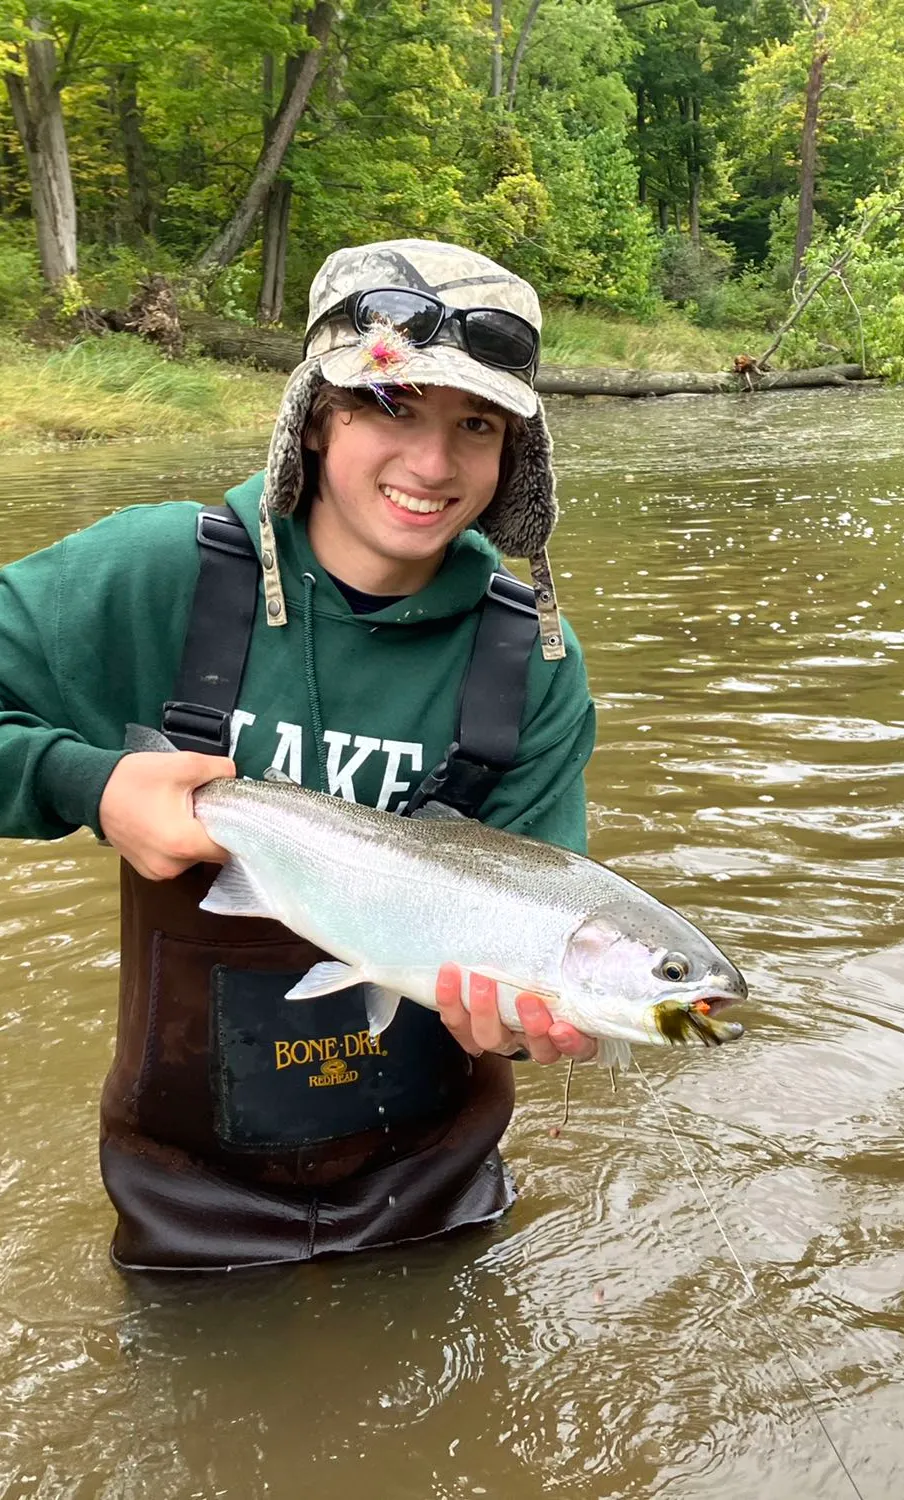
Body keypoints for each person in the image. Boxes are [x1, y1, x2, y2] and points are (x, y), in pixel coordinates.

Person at [0, 239, 599, 1270]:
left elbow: (545, 918)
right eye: (392, 405)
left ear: (512, 455)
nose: (432, 464)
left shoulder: (532, 661)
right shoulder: (153, 577)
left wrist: (515, 1024)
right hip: (187, 1197)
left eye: (477, 425)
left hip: (440, 1192)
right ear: (316, 416)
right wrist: (90, 785)